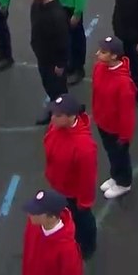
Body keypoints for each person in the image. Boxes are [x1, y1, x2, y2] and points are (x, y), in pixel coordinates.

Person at [43, 95, 98, 259]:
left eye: (58, 115)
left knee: (82, 219)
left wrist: (84, 202)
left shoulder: (84, 147)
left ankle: (87, 246)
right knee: (68, 216)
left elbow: (88, 177)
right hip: (60, 185)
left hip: (73, 193)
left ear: (70, 117)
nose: (52, 118)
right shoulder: (56, 127)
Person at [92, 37, 137, 199]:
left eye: (103, 52)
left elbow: (127, 114)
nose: (97, 54)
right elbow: (96, 94)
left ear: (114, 56)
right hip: (103, 122)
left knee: (120, 155)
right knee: (111, 153)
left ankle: (124, 182)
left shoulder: (124, 83)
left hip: (116, 130)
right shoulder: (99, 68)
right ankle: (115, 175)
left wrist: (124, 136)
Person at [20, 189, 83, 275]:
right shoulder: (32, 225)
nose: (29, 215)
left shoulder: (68, 250)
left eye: (36, 213)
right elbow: (27, 257)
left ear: (51, 217)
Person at [30, 0, 71, 125]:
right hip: (43, 56)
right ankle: (57, 108)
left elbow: (63, 41)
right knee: (48, 84)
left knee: (57, 88)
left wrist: (61, 64)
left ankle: (63, 113)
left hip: (53, 61)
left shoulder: (57, 14)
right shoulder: (37, 5)